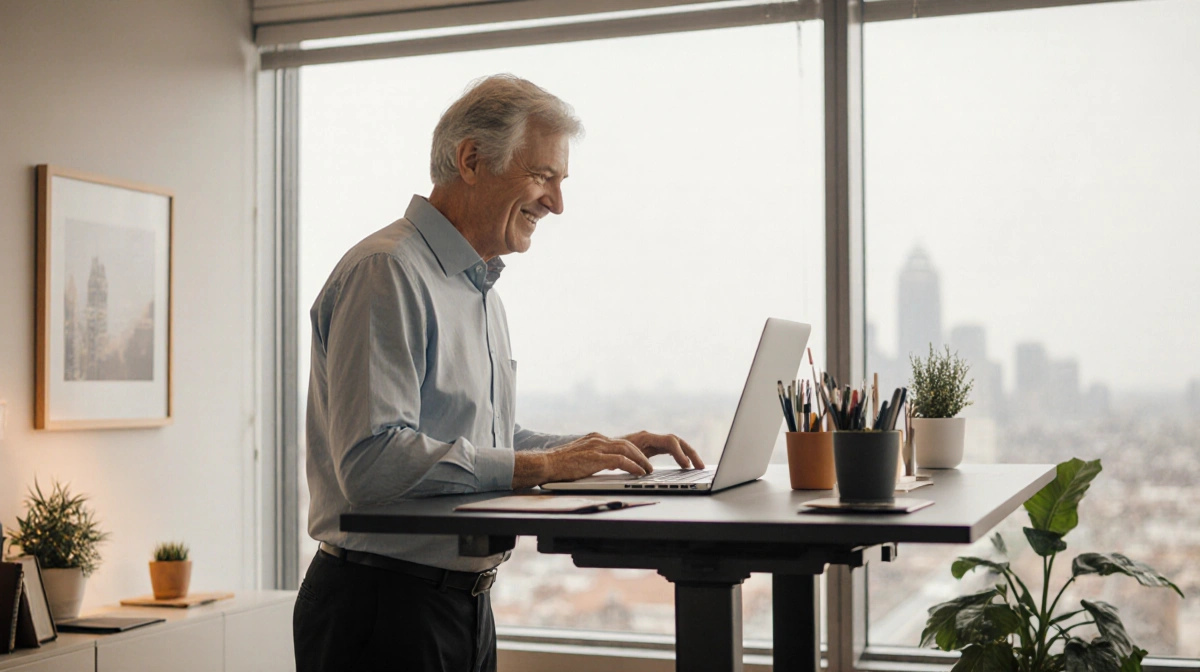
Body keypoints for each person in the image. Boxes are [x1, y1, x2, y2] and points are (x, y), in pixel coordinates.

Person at [293, 74, 705, 672]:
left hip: (461, 607)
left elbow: (484, 442)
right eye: (543, 176)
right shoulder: (387, 271)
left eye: (561, 183)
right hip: (382, 607)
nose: (557, 204)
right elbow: (373, 462)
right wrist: (544, 467)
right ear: (471, 160)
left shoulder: (479, 288)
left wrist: (597, 450)